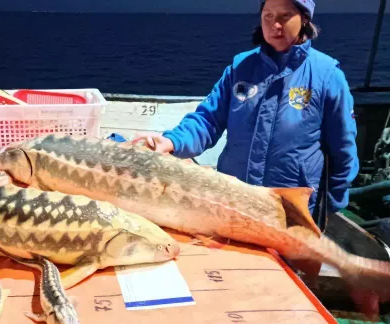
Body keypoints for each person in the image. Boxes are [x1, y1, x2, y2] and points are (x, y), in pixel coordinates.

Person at [133, 0, 359, 222]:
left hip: (291, 210)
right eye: (268, 15)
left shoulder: (327, 74)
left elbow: (342, 146)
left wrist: (327, 206)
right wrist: (171, 141)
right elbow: (207, 120)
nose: (275, 25)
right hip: (233, 200)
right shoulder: (240, 67)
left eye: (284, 16)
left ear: (305, 18)